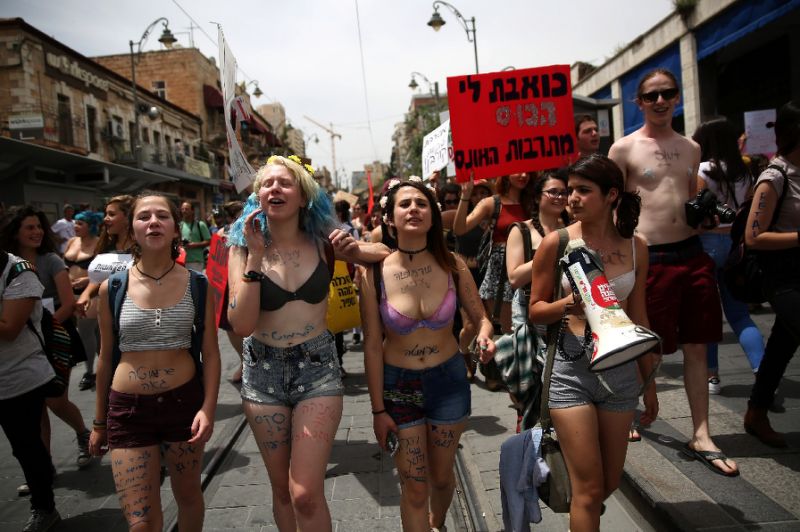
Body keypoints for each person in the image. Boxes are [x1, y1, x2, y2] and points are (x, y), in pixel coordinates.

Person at [226, 155, 389, 531]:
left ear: (303, 197)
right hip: (262, 374)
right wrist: (255, 256)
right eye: (267, 184)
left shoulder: (323, 242)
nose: (275, 188)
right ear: (258, 197)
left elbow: (384, 254)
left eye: (285, 183)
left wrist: (353, 249)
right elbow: (242, 323)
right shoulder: (241, 248)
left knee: (304, 493)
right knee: (282, 491)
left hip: (317, 370)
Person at [608, 68, 736, 476]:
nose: (660, 101)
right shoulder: (623, 149)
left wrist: (705, 216)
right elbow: (612, 206)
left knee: (698, 344)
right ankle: (628, 407)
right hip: (649, 257)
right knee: (645, 344)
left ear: (677, 97)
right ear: (639, 102)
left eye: (668, 93)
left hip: (692, 252)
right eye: (652, 95)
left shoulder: (691, 148)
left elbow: (690, 196)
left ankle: (701, 432)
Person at [529, 154, 659, 531]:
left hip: (620, 371)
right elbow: (536, 310)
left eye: (583, 190)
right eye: (570, 190)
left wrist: (649, 383)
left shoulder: (636, 247)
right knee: (587, 490)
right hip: (571, 371)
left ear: (611, 195)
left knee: (609, 483)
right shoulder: (557, 243)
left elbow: (639, 317)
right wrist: (570, 303)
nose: (572, 198)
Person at [359, 178, 496, 532]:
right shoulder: (373, 273)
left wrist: (484, 336)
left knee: (441, 477)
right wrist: (377, 410)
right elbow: (371, 345)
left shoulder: (452, 264)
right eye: (404, 204)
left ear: (433, 215)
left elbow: (481, 318)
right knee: (415, 486)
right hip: (399, 386)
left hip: (448, 382)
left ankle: (438, 523)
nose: (413, 209)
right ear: (389, 218)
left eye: (421, 204)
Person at [88, 193, 221, 531]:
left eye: (162, 216)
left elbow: (211, 352)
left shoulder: (198, 285)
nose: (153, 222)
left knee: (188, 496)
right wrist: (100, 422)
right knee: (141, 522)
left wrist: (208, 408)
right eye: (143, 216)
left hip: (184, 406)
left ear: (176, 228)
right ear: (132, 229)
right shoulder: (111, 288)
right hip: (128, 412)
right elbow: (105, 359)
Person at [0, 207, 93, 477]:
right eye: (29, 227)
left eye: (39, 226)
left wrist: (43, 328)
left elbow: (68, 304)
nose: (37, 232)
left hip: (56, 338)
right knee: (36, 409)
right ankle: (44, 466)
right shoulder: (7, 264)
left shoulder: (50, 260)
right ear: (14, 232)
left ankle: (83, 434)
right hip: (25, 345)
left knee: (56, 401)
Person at [692, 118, 765, 393]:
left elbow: (696, 212)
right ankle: (762, 371)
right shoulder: (744, 172)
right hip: (735, 244)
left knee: (708, 315)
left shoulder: (703, 170)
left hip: (707, 244)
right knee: (740, 314)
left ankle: (712, 376)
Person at [743, 101, 800, 448]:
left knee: (782, 344)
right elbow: (754, 237)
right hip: (783, 278)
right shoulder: (775, 176)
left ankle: (756, 412)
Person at [454, 172, 534, 390]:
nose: (523, 174)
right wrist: (465, 196)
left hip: (531, 267)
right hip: (501, 274)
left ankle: (518, 377)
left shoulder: (534, 201)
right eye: (516, 169)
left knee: (525, 328)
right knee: (503, 328)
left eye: (526, 170)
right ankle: (477, 362)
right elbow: (459, 228)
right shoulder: (492, 203)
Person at [0, 249, 61, 532]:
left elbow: (10, 328)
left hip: (20, 378)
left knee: (26, 447)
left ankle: (44, 506)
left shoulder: (18, 271)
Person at [75, 195, 136, 317]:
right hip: (102, 315)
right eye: (106, 214)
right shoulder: (105, 246)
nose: (105, 219)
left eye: (111, 214)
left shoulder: (143, 249)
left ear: (128, 217)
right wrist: (86, 294)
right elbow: (99, 278)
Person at [64, 210, 103, 391]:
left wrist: (87, 280)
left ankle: (89, 372)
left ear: (91, 225)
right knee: (96, 333)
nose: (76, 226)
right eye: (75, 223)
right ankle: (107, 366)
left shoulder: (99, 243)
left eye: (80, 223)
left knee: (85, 330)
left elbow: (104, 270)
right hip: (71, 294)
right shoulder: (72, 242)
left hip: (93, 294)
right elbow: (64, 265)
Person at [216, 201, 246, 384]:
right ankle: (245, 362)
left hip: (251, 281)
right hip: (228, 284)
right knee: (230, 326)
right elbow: (216, 264)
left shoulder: (256, 228)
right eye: (236, 215)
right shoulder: (222, 234)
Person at [180, 201, 211, 272]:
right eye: (182, 209)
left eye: (186, 209)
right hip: (181, 260)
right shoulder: (180, 225)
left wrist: (194, 245)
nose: (184, 211)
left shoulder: (200, 224)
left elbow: (209, 241)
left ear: (192, 211)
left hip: (196, 261)